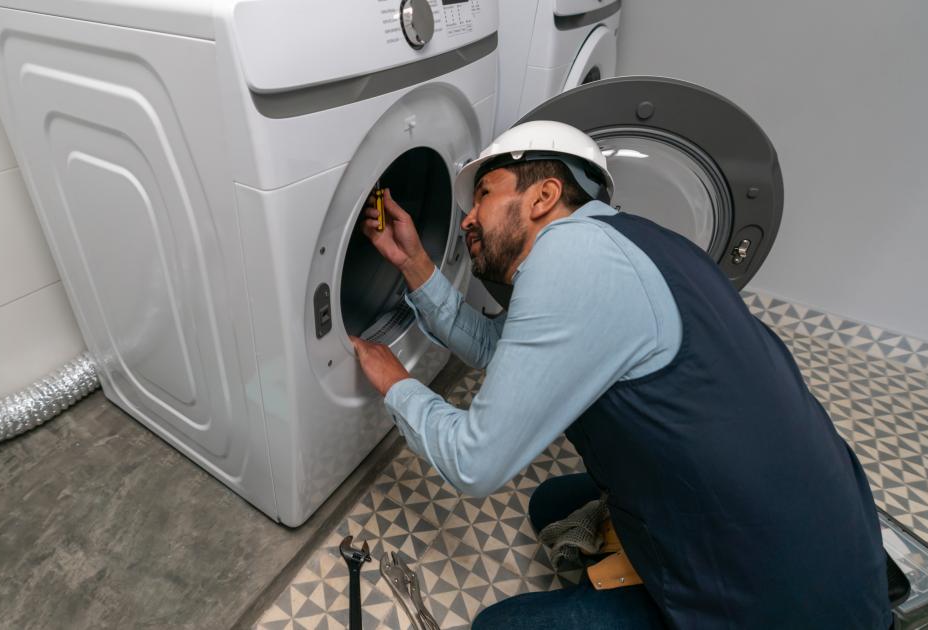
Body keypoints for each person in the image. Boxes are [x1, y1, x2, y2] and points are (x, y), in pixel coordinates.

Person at [349, 121, 891, 629]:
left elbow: (475, 463)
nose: (468, 218)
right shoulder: (629, 240)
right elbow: (505, 351)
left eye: (485, 194)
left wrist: (398, 384)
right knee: (551, 505)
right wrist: (415, 266)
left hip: (780, 604)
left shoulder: (569, 258)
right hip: (827, 541)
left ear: (544, 197)